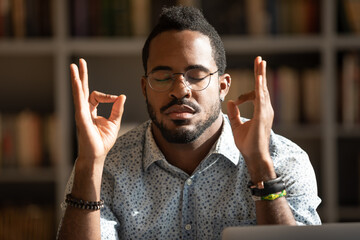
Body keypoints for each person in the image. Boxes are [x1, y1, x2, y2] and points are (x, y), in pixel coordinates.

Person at [58, 6, 321, 240]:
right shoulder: (106, 166)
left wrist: (260, 164)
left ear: (222, 86)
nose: (180, 90)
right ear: (145, 87)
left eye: (196, 76)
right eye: (162, 77)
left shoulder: (283, 159)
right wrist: (89, 163)